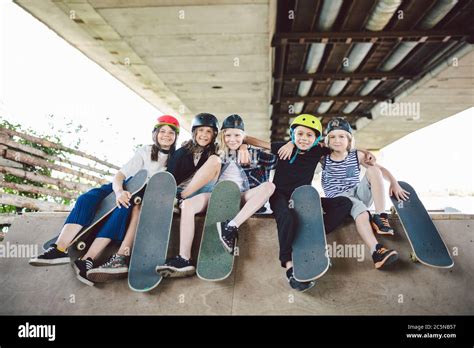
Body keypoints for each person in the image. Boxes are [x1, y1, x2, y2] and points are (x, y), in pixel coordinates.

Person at [29, 115, 181, 286]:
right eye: (162, 131)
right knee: (87, 198)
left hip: (142, 196)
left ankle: (87, 260)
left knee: (122, 210)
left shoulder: (177, 158)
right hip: (124, 186)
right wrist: (119, 191)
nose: (166, 135)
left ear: (176, 136)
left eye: (171, 132)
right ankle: (59, 249)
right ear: (155, 133)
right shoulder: (145, 151)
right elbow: (120, 175)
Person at [156, 114, 276, 277]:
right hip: (217, 196)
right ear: (222, 136)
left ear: (243, 135)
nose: (232, 139)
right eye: (228, 135)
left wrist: (246, 142)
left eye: (237, 135)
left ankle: (231, 226)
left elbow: (278, 155)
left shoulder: (254, 154)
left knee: (269, 186)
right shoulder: (217, 152)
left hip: (242, 196)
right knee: (188, 205)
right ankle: (184, 259)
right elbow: (197, 154)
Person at [245, 114, 355, 292]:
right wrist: (244, 144)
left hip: (304, 199)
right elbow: (251, 140)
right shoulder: (283, 147)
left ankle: (311, 235)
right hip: (279, 195)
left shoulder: (318, 150)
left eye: (309, 135)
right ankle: (289, 267)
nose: (304, 138)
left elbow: (341, 145)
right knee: (286, 218)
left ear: (317, 139)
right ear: (293, 134)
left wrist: (364, 154)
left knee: (343, 203)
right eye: (300, 134)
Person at [320, 117, 409, 269]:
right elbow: (308, 146)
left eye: (342, 136)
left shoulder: (357, 156)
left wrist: (394, 182)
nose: (337, 140)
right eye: (332, 137)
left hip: (358, 194)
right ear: (327, 140)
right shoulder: (323, 158)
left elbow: (381, 170)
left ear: (349, 140)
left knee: (373, 169)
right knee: (362, 213)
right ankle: (376, 251)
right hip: (340, 200)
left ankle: (381, 217)